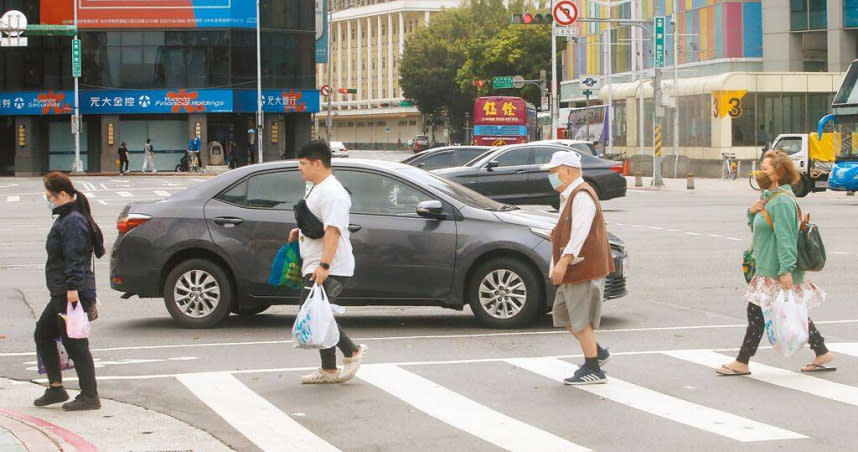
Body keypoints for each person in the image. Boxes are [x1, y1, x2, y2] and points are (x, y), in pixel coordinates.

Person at [718, 150, 834, 375]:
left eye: (765, 168)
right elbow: (760, 229)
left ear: (778, 173)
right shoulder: (769, 197)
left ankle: (742, 361)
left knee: (757, 315)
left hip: (775, 270)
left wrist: (786, 270)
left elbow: (786, 239)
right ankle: (821, 350)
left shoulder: (781, 202)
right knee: (792, 311)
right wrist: (752, 213)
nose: (760, 172)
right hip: (767, 268)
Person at [288, 141, 367, 384]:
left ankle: (351, 352)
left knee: (313, 311)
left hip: (331, 266)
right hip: (316, 263)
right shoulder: (316, 187)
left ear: (317, 163)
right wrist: (300, 231)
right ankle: (330, 368)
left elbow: (333, 232)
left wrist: (324, 266)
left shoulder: (333, 193)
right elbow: (320, 225)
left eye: (302, 164)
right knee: (316, 312)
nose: (299, 168)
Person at [35, 172, 105, 411]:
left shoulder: (73, 220)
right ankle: (56, 388)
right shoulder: (68, 217)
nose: (49, 200)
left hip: (70, 291)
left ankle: (90, 396)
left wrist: (73, 289)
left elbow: (75, 256)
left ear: (62, 194)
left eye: (50, 196)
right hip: (62, 290)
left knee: (75, 343)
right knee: (43, 334)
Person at [543, 151, 614, 385]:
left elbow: (580, 235)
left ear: (570, 170)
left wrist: (563, 262)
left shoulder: (581, 195)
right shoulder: (569, 195)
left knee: (580, 320)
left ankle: (593, 368)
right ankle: (598, 352)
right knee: (565, 316)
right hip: (574, 269)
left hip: (582, 268)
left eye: (555, 170)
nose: (551, 175)